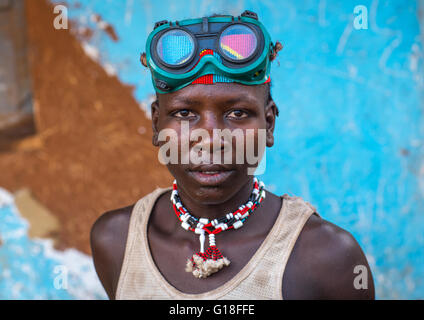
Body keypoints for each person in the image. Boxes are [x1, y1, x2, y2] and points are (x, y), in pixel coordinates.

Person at [90, 10, 375, 300]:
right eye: (184, 113)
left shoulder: (328, 258)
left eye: (237, 113)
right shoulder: (116, 240)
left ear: (269, 124)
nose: (211, 139)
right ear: (156, 123)